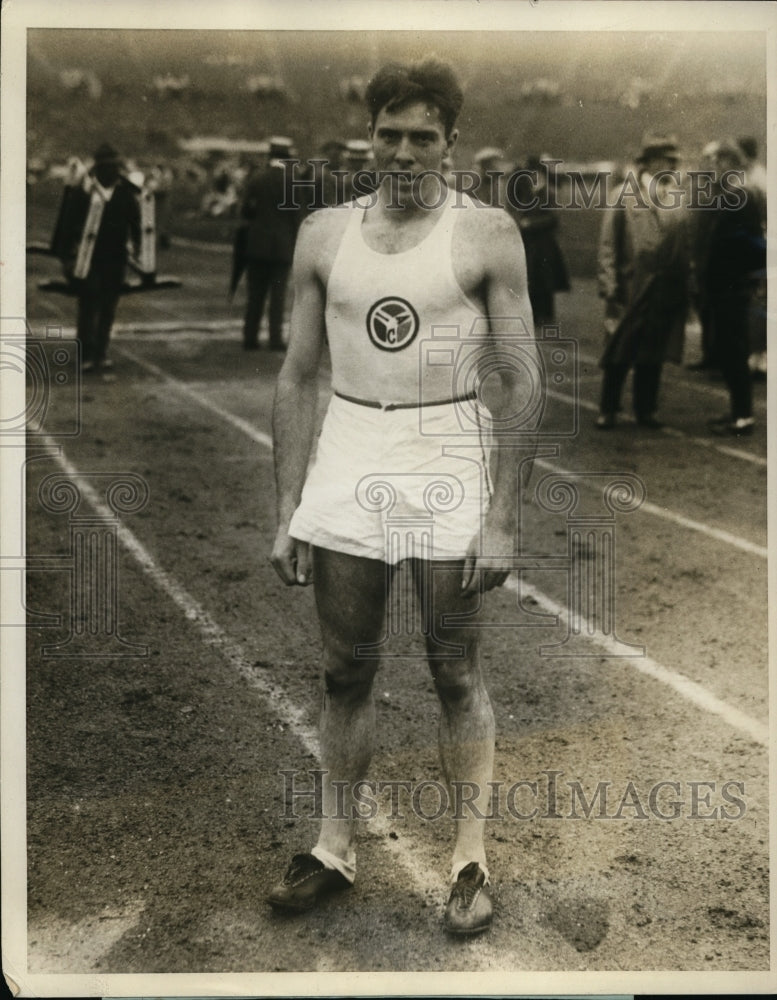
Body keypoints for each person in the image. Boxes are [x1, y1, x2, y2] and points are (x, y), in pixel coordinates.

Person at [268, 58, 537, 936]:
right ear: (368, 136)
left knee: (452, 669)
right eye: (390, 133)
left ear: (451, 142)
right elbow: (299, 375)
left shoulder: (487, 232)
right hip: (350, 450)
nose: (405, 151)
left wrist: (501, 517)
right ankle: (333, 849)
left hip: (445, 450)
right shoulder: (321, 234)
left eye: (424, 136)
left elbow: (522, 380)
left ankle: (467, 861)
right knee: (344, 669)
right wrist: (290, 509)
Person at [595, 133, 690, 429]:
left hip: (664, 285)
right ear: (649, 162)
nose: (671, 166)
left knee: (654, 349)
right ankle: (608, 408)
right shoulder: (623, 194)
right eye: (665, 160)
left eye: (673, 161)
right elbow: (608, 243)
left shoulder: (678, 196)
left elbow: (683, 241)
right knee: (620, 349)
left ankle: (645, 409)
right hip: (630, 285)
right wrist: (609, 285)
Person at [56, 142, 141, 375]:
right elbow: (67, 226)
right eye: (107, 167)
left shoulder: (125, 193)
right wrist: (67, 259)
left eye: (114, 167)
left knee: (108, 309)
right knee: (89, 306)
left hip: (115, 260)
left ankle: (101, 353)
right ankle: (86, 355)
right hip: (88, 259)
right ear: (99, 169)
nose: (112, 172)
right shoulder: (83, 194)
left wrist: (139, 251)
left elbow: (137, 224)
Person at [701, 140, 766, 436]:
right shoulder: (731, 192)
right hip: (724, 281)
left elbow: (751, 241)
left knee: (733, 349)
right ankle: (738, 412)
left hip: (732, 283)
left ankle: (743, 416)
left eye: (720, 162)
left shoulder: (742, 194)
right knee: (727, 348)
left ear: (731, 163)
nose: (715, 167)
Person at [240, 137, 302, 350]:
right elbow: (297, 216)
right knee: (278, 298)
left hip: (257, 244)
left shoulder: (257, 179)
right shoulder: (293, 180)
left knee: (255, 295)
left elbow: (245, 211)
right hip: (282, 246)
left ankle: (250, 337)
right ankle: (275, 339)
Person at [506, 155, 570, 328]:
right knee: (531, 279)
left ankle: (546, 315)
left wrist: (531, 223)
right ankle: (533, 314)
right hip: (529, 241)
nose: (534, 177)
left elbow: (554, 219)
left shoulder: (548, 192)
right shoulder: (527, 192)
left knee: (545, 280)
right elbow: (516, 208)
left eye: (536, 173)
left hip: (544, 242)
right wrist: (522, 223)